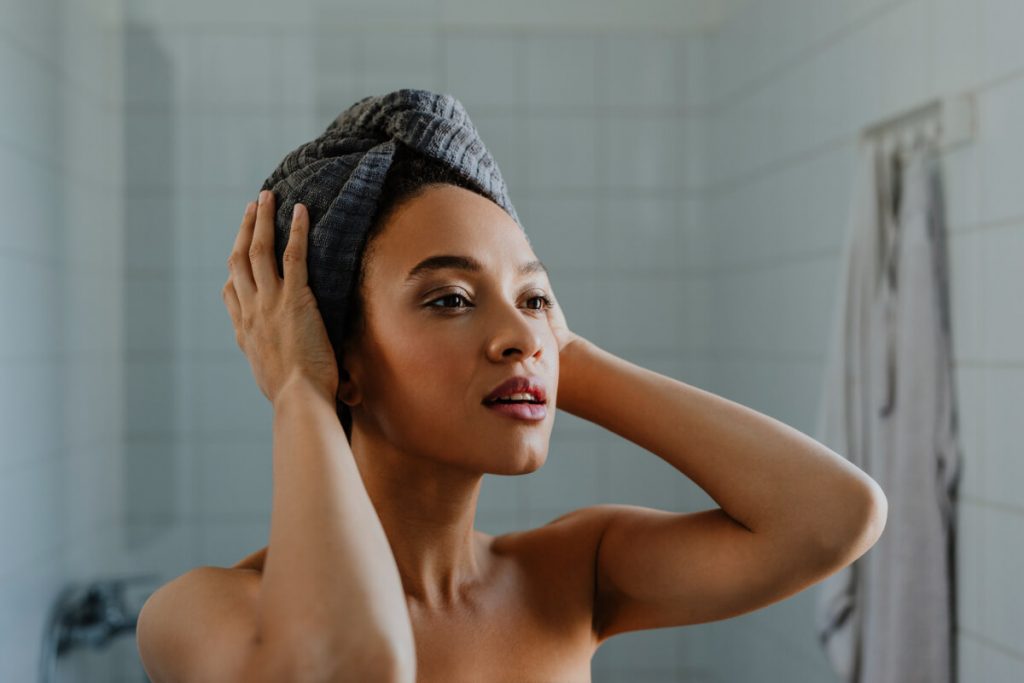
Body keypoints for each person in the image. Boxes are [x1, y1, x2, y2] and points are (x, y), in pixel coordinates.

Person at [135, 93, 887, 683]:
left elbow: (834, 516)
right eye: (450, 299)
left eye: (533, 298)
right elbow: (349, 667)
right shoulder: (203, 613)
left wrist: (569, 357)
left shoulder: (569, 574)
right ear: (343, 359)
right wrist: (300, 389)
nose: (521, 333)